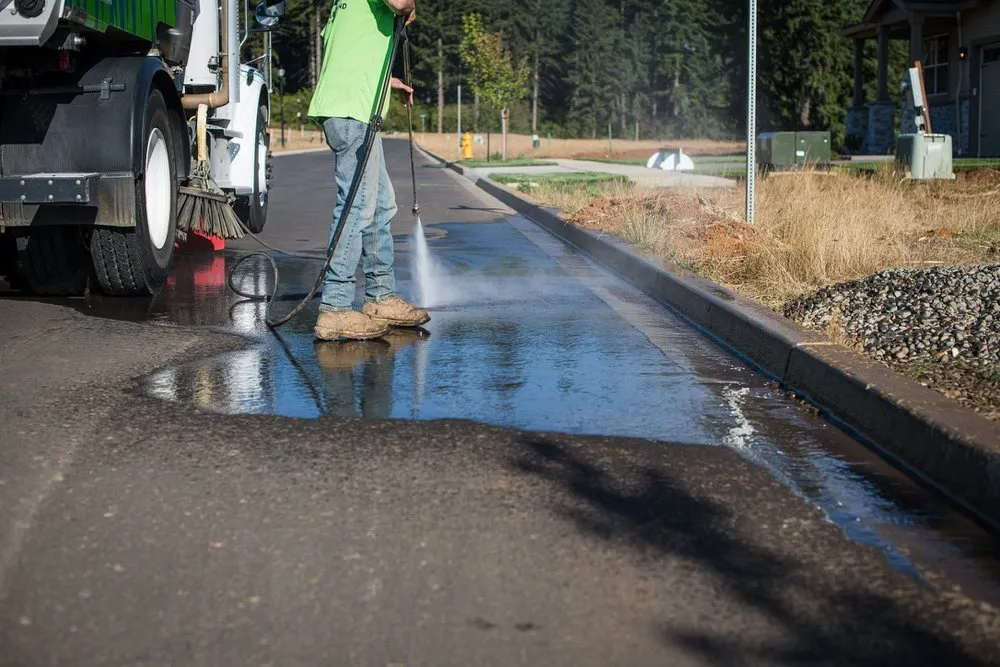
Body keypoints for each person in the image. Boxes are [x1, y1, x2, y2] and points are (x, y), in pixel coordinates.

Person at [307, 0, 429, 341]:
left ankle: (380, 297)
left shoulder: (347, 6)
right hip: (352, 114)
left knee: (379, 206)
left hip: (352, 109)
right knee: (356, 208)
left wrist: (390, 82)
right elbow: (401, 2)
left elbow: (350, 55)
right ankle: (335, 308)